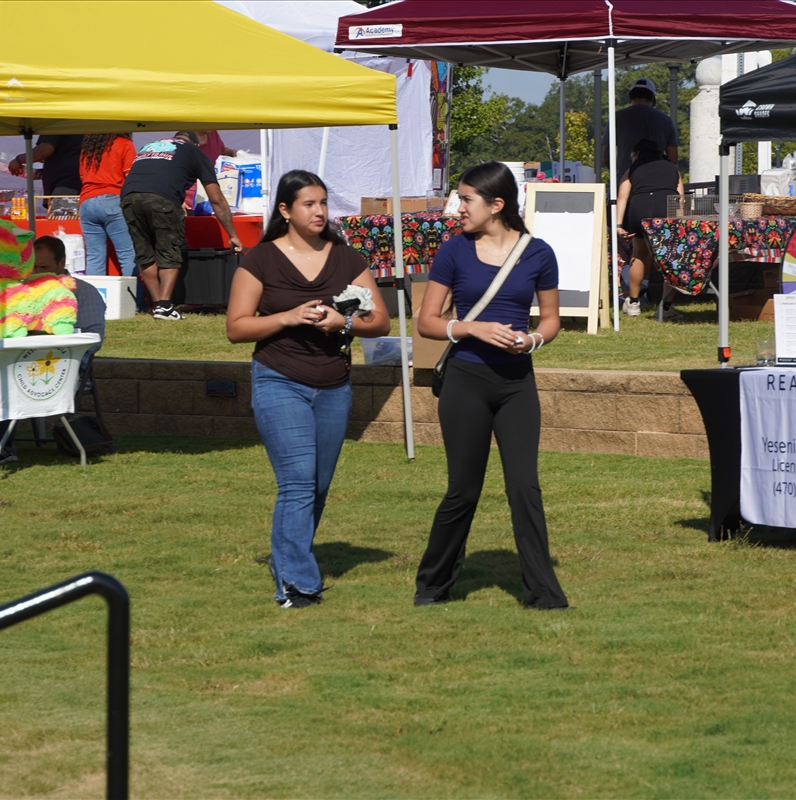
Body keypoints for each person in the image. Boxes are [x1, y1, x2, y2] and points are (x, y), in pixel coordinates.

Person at [226, 170, 389, 608]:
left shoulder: (348, 258)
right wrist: (288, 317)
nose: (320, 212)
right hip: (279, 380)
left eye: (323, 203)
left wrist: (344, 321)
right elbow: (236, 328)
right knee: (298, 482)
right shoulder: (260, 259)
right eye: (309, 204)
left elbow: (380, 322)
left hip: (334, 385)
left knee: (317, 487)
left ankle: (288, 562)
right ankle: (298, 585)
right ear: (285, 210)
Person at [412, 161, 569, 610]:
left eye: (466, 199)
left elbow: (551, 319)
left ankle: (543, 594)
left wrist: (532, 339)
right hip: (466, 381)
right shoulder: (453, 251)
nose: (458, 208)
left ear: (496, 204)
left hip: (517, 384)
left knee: (524, 487)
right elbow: (426, 321)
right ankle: (432, 586)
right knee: (463, 490)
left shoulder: (539, 253)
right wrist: (471, 328)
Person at [0, 235, 106, 464]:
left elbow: (94, 339)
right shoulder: (21, 291)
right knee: (0, 375)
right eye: (34, 267)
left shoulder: (83, 292)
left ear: (61, 263)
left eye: (44, 267)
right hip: (21, 360)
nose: (37, 273)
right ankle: (2, 445)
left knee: (11, 379)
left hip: (65, 365)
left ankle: (3, 445)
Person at [121, 131, 241, 321]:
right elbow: (216, 199)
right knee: (169, 250)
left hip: (129, 197)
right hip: (162, 198)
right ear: (195, 143)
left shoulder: (150, 146)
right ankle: (165, 306)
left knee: (145, 253)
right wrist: (232, 234)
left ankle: (158, 305)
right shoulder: (194, 151)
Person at [616, 139, 684, 319]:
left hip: (640, 210)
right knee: (670, 258)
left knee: (639, 254)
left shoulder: (633, 169)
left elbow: (622, 197)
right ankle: (666, 307)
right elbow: (681, 198)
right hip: (666, 210)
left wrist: (618, 225)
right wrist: (679, 222)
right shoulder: (672, 168)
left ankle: (633, 303)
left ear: (637, 154)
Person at [78, 134, 138, 277]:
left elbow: (82, 177)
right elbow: (131, 178)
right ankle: (133, 292)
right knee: (127, 254)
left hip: (86, 201)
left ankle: (95, 292)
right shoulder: (125, 144)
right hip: (113, 199)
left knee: (94, 256)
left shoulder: (88, 148)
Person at [615, 77, 678, 170]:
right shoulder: (666, 120)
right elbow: (673, 158)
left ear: (630, 98)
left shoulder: (617, 117)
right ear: (652, 99)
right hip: (656, 174)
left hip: (625, 175)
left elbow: (606, 156)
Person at [7, 135, 85, 203]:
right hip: (80, 185)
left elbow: (44, 150)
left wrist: (19, 159)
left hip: (65, 187)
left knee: (64, 214)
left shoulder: (55, 123)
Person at [183, 130, 238, 209]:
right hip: (191, 200)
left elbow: (221, 149)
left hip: (214, 192)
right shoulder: (184, 139)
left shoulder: (212, 132)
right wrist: (181, 201)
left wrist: (232, 153)